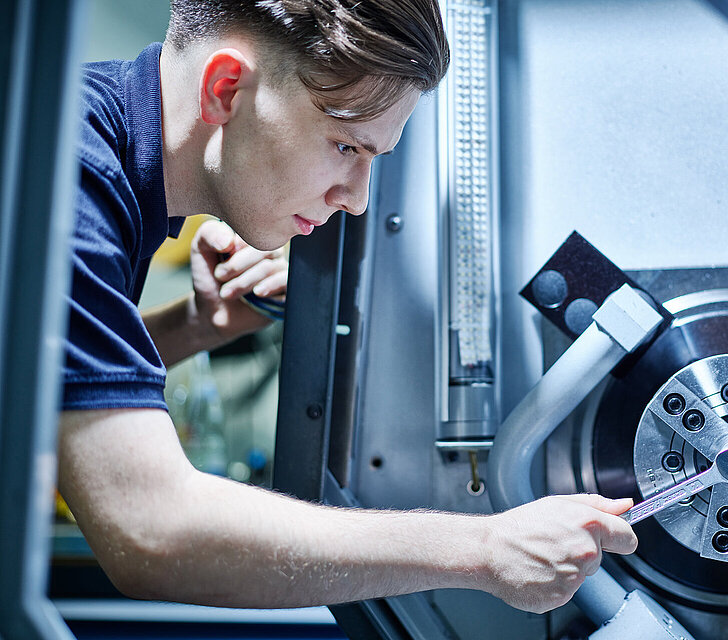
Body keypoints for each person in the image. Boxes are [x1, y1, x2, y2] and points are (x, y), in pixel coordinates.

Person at [58, 0, 638, 615]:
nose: (357, 200)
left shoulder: (101, 155)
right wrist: (484, 547)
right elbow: (153, 530)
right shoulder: (70, 177)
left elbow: (29, 388)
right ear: (226, 89)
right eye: (344, 147)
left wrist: (193, 328)